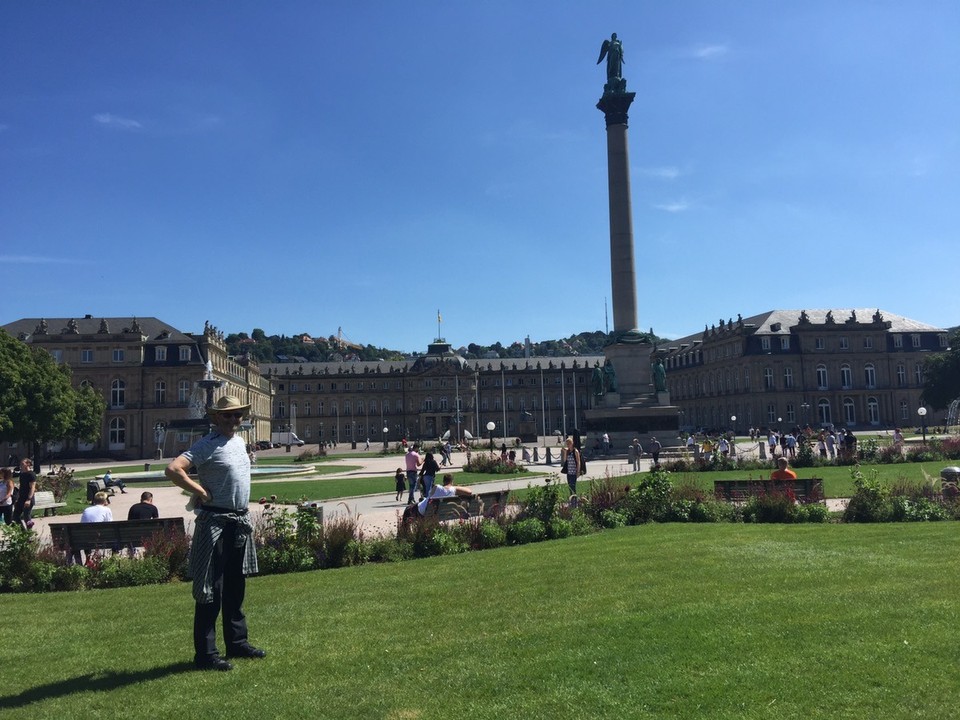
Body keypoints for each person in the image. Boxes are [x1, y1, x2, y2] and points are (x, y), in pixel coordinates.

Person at [165, 394, 264, 672]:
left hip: (238, 522)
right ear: (215, 417)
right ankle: (206, 654)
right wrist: (199, 490)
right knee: (211, 589)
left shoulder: (239, 442)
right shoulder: (207, 444)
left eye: (237, 415)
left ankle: (237, 642)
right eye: (227, 415)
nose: (234, 419)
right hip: (216, 522)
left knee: (235, 586)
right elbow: (173, 469)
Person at [401, 474, 474, 523]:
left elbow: (429, 494)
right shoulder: (453, 490)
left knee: (407, 509)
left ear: (443, 481)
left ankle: (403, 533)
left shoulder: (437, 487)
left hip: (422, 511)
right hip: (438, 514)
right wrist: (456, 487)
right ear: (452, 481)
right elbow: (469, 492)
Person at [12, 458, 36, 529]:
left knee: (26, 516)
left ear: (28, 464)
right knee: (15, 516)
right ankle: (23, 531)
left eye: (22, 464)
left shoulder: (31, 474)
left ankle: (29, 533)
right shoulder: (22, 475)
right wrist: (17, 498)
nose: (21, 466)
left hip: (28, 499)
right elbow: (21, 487)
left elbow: (32, 488)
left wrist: (29, 499)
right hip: (21, 499)